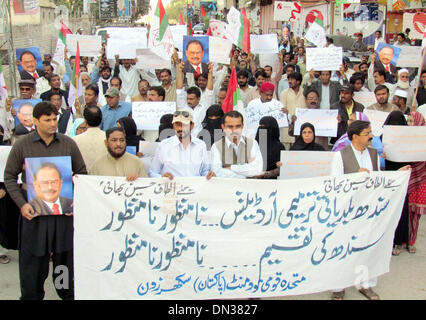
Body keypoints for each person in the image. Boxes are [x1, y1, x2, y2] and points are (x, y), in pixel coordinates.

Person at [3, 101, 87, 300]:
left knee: (64, 266)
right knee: (33, 267)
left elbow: (82, 173)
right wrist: (22, 205)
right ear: (35, 121)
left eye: (54, 119)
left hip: (63, 219)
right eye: (47, 120)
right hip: (34, 219)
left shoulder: (68, 143)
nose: (52, 123)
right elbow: (9, 177)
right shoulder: (22, 145)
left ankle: (66, 294)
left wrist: (76, 198)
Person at [330, 120, 380, 300]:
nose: (371, 136)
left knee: (366, 247)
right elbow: (336, 185)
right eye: (367, 133)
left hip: (367, 209)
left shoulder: (373, 154)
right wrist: (356, 177)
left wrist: (399, 174)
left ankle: (365, 284)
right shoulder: (340, 156)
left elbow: (379, 180)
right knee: (342, 248)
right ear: (355, 137)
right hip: (346, 210)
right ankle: (338, 287)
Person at [149, 110, 215, 179]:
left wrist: (209, 175)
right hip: (172, 188)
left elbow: (205, 171)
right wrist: (162, 177)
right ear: (173, 126)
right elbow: (153, 172)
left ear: (192, 126)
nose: (180, 128)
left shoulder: (200, 145)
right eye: (177, 124)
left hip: (195, 187)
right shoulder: (164, 146)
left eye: (184, 124)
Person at [381, 111, 411, 256]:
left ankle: (400, 240)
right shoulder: (382, 138)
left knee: (402, 209)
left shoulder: (408, 140)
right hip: (387, 179)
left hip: (402, 177)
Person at [210, 110, 263, 178]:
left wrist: (230, 167)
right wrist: (244, 175)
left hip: (249, 187)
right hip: (226, 187)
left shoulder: (252, 143)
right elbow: (217, 172)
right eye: (230, 126)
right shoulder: (216, 146)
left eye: (237, 126)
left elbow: (257, 169)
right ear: (223, 127)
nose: (234, 130)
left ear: (242, 126)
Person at [406, 111, 426, 253]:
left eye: (412, 121)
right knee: (404, 211)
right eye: (408, 121)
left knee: (415, 213)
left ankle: (411, 241)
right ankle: (402, 239)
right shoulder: (402, 138)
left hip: (421, 179)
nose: (409, 124)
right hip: (407, 176)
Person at [73, 106, 107, 172]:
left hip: (83, 178)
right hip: (104, 178)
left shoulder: (75, 140)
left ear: (85, 121)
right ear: (101, 119)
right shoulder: (109, 138)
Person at [280, 72, 306, 149]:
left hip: (301, 127)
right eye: (289, 79)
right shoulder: (284, 93)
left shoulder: (305, 92)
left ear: (298, 81)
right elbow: (282, 110)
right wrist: (289, 117)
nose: (289, 81)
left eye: (292, 79)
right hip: (287, 128)